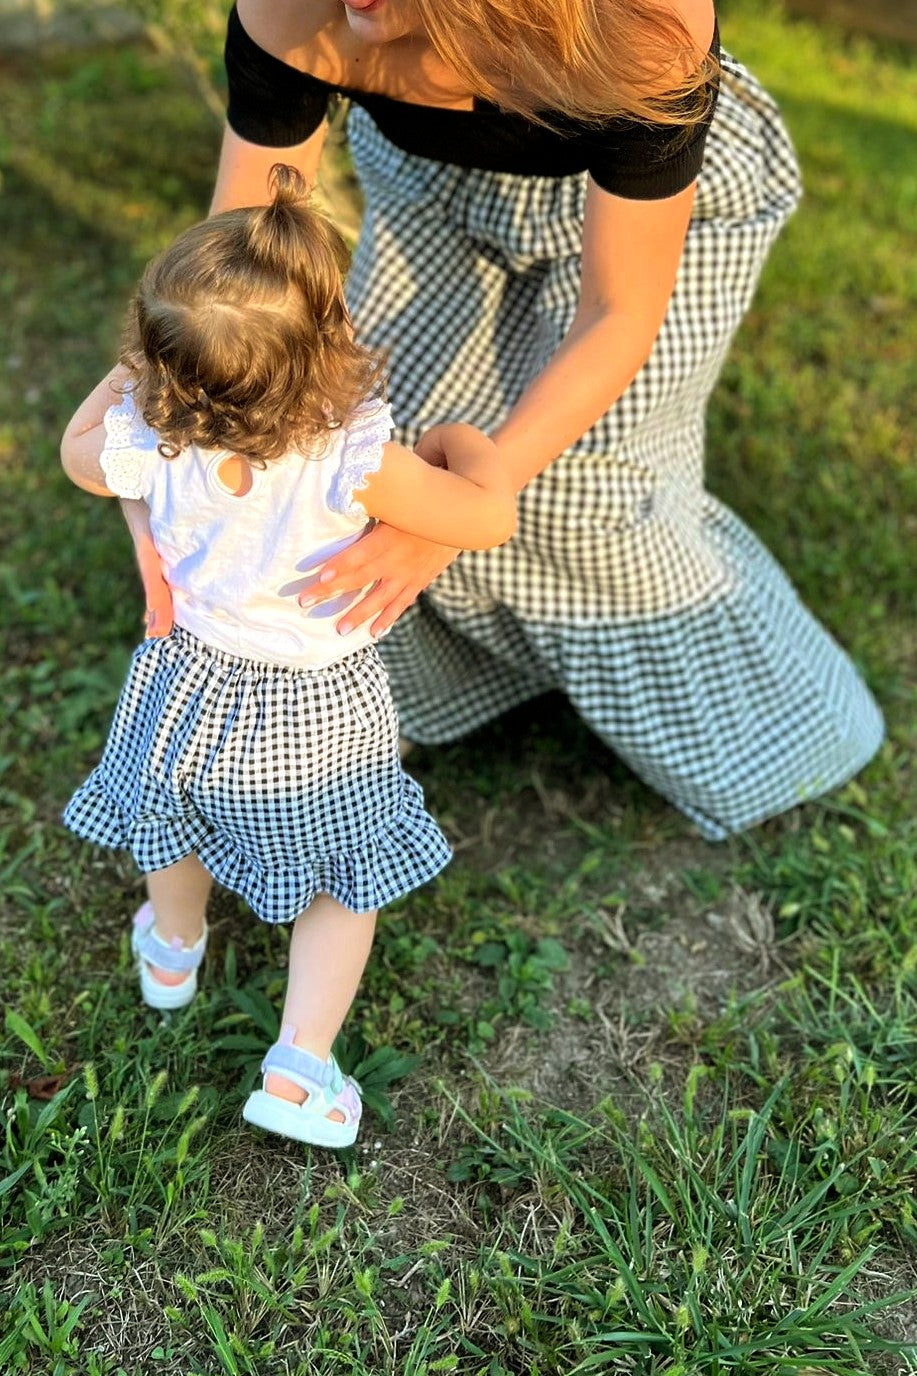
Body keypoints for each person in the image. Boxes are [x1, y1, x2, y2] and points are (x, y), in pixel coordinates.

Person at [126, 0, 883, 841]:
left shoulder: (644, 22)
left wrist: (463, 512)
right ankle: (414, 701)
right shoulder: (294, 9)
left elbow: (618, 310)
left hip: (669, 214)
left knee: (576, 497)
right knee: (356, 447)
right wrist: (151, 483)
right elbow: (231, 283)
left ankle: (789, 739)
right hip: (435, 191)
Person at [60, 165, 516, 1149]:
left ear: (158, 359)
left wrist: (141, 363)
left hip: (188, 684)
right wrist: (460, 441)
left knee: (170, 821)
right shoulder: (352, 456)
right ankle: (301, 1064)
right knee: (338, 882)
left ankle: (174, 951)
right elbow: (487, 514)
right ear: (328, 351)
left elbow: (75, 448)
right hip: (317, 715)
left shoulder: (150, 436)